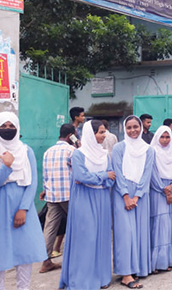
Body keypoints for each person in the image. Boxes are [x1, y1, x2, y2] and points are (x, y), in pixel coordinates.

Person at [0, 112, 46, 290]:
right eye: (3, 126)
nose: (8, 130)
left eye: (12, 126)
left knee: (24, 254)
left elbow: (33, 181)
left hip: (22, 207)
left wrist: (24, 208)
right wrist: (6, 167)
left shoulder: (26, 151)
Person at [59, 120, 116, 290]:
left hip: (102, 198)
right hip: (84, 199)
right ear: (91, 134)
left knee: (101, 237)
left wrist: (100, 178)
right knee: (86, 238)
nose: (103, 135)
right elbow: (81, 176)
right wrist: (103, 176)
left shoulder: (105, 154)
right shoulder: (78, 154)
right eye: (100, 132)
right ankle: (82, 280)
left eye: (104, 132)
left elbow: (112, 178)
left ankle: (101, 278)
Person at [112, 116, 154, 288]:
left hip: (141, 195)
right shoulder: (118, 148)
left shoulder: (148, 149)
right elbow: (118, 172)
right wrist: (126, 196)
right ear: (124, 129)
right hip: (121, 195)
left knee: (140, 231)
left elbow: (147, 173)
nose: (133, 130)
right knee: (125, 233)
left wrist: (137, 196)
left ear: (141, 127)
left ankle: (139, 268)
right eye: (129, 128)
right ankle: (125, 274)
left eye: (135, 126)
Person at [39, 123, 76, 274]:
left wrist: (44, 190)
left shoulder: (48, 151)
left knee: (50, 228)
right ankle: (76, 259)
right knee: (77, 224)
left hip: (52, 195)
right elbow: (77, 172)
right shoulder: (72, 150)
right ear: (70, 136)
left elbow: (45, 174)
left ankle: (45, 261)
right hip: (69, 195)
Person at [149, 126, 172, 273]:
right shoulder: (153, 152)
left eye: (168, 137)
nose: (165, 140)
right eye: (162, 137)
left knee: (169, 225)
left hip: (170, 190)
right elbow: (153, 174)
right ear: (157, 137)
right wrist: (164, 190)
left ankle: (168, 260)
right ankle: (156, 263)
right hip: (158, 192)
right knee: (159, 226)